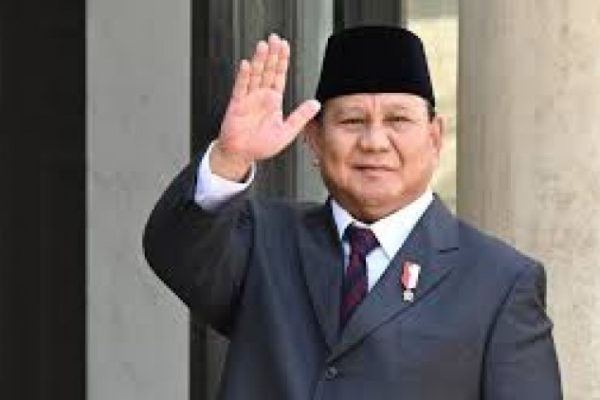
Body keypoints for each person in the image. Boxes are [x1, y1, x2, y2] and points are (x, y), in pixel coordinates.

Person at [143, 26, 562, 399]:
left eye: (398, 120)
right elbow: (174, 252)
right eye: (352, 121)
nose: (374, 142)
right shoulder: (264, 242)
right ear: (314, 139)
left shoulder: (499, 281)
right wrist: (230, 158)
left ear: (435, 138)